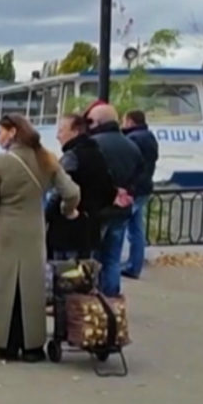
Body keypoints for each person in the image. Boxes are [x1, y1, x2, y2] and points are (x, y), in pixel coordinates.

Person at [0, 114, 80, 362]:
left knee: (3, 287)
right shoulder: (47, 159)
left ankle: (5, 344)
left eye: (0, 132)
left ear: (13, 132)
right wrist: (67, 211)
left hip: (3, 234)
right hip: (33, 232)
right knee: (31, 289)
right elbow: (72, 192)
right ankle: (32, 346)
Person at [86, 103, 143, 297]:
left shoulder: (93, 145)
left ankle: (94, 302)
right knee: (112, 257)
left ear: (97, 122)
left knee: (93, 258)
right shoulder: (131, 145)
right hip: (121, 210)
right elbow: (139, 176)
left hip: (98, 210)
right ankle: (111, 300)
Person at [46, 114, 115, 259]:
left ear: (75, 131)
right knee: (84, 273)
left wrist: (45, 216)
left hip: (67, 230)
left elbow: (59, 192)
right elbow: (109, 190)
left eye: (61, 130)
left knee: (64, 274)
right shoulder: (98, 154)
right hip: (90, 227)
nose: (58, 136)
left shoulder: (71, 157)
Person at [121, 109, 159, 279]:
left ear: (130, 121)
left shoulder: (132, 139)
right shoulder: (150, 137)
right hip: (145, 187)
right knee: (136, 228)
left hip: (133, 189)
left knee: (122, 225)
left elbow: (129, 164)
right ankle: (135, 265)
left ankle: (128, 265)